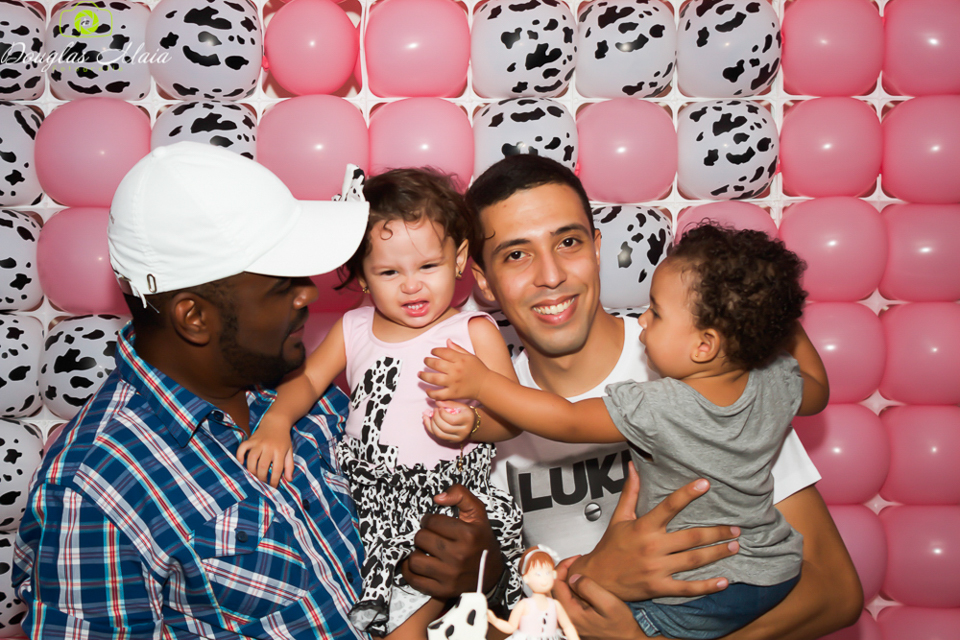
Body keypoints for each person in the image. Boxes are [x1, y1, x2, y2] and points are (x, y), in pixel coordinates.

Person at [12, 143, 509, 639]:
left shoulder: (303, 394)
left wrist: (475, 576)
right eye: (281, 284)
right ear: (194, 316)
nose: (309, 292)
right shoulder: (94, 490)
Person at [454, 154, 863, 640]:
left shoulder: (705, 367)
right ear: (482, 279)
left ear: (597, 246)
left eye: (568, 242)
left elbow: (835, 592)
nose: (551, 275)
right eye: (516, 254)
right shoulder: (475, 425)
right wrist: (593, 576)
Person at [234, 168, 525, 639]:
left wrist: (473, 422)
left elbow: (513, 419)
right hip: (366, 502)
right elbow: (307, 379)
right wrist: (277, 422)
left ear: (458, 259)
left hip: (444, 501)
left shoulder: (473, 333)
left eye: (427, 266)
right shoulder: (353, 329)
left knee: (409, 624)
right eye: (389, 272)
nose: (411, 285)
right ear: (364, 279)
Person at [486, 546, 580, 640]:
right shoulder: (524, 605)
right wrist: (495, 620)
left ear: (554, 574)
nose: (544, 578)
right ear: (526, 578)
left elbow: (568, 626)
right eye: (538, 574)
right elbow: (511, 627)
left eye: (548, 573)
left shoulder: (555, 605)